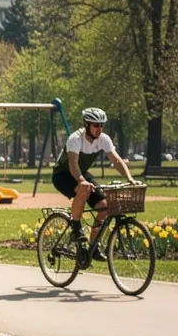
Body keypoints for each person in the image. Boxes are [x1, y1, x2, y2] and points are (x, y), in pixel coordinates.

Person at [51, 107, 138, 262]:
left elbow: (116, 160)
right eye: (96, 125)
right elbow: (73, 163)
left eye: (101, 125)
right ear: (87, 125)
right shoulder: (75, 139)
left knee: (104, 206)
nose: (99, 129)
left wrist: (130, 178)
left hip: (81, 173)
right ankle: (76, 227)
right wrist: (81, 180)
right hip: (63, 175)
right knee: (83, 191)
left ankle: (94, 245)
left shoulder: (104, 139)